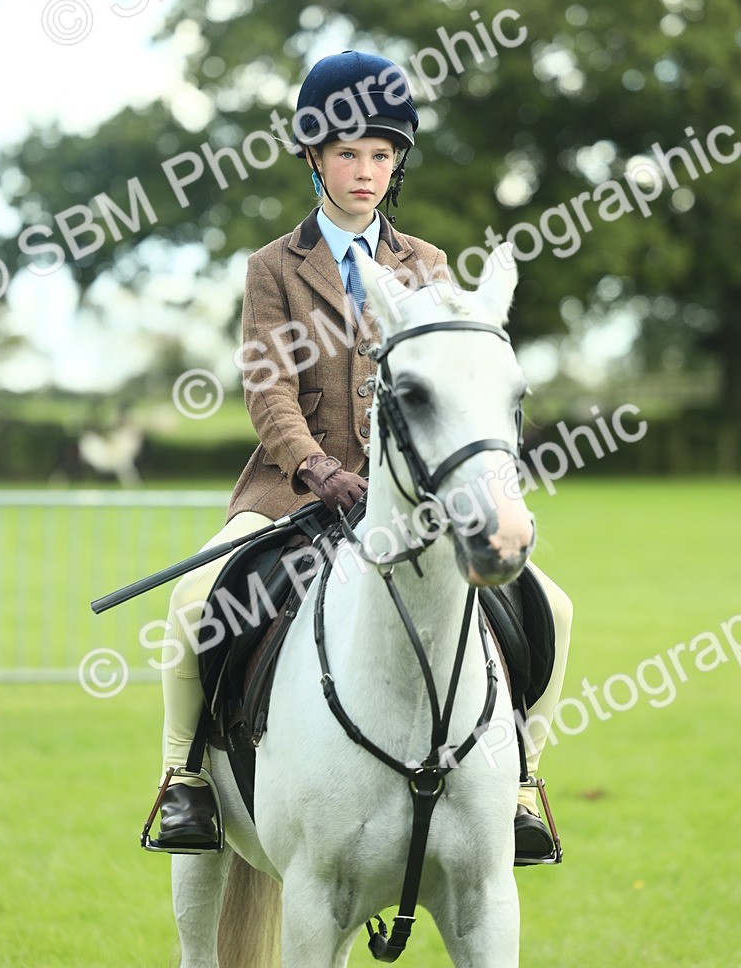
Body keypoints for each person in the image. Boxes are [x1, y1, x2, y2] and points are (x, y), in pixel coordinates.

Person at [149, 49, 572, 866]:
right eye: (348, 154)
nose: (366, 171)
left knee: (550, 606)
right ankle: (186, 779)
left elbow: (451, 383)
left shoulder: (428, 266)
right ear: (314, 157)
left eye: (381, 155)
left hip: (412, 499)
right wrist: (316, 469)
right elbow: (267, 392)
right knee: (198, 597)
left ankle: (520, 782)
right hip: (290, 491)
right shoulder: (273, 268)